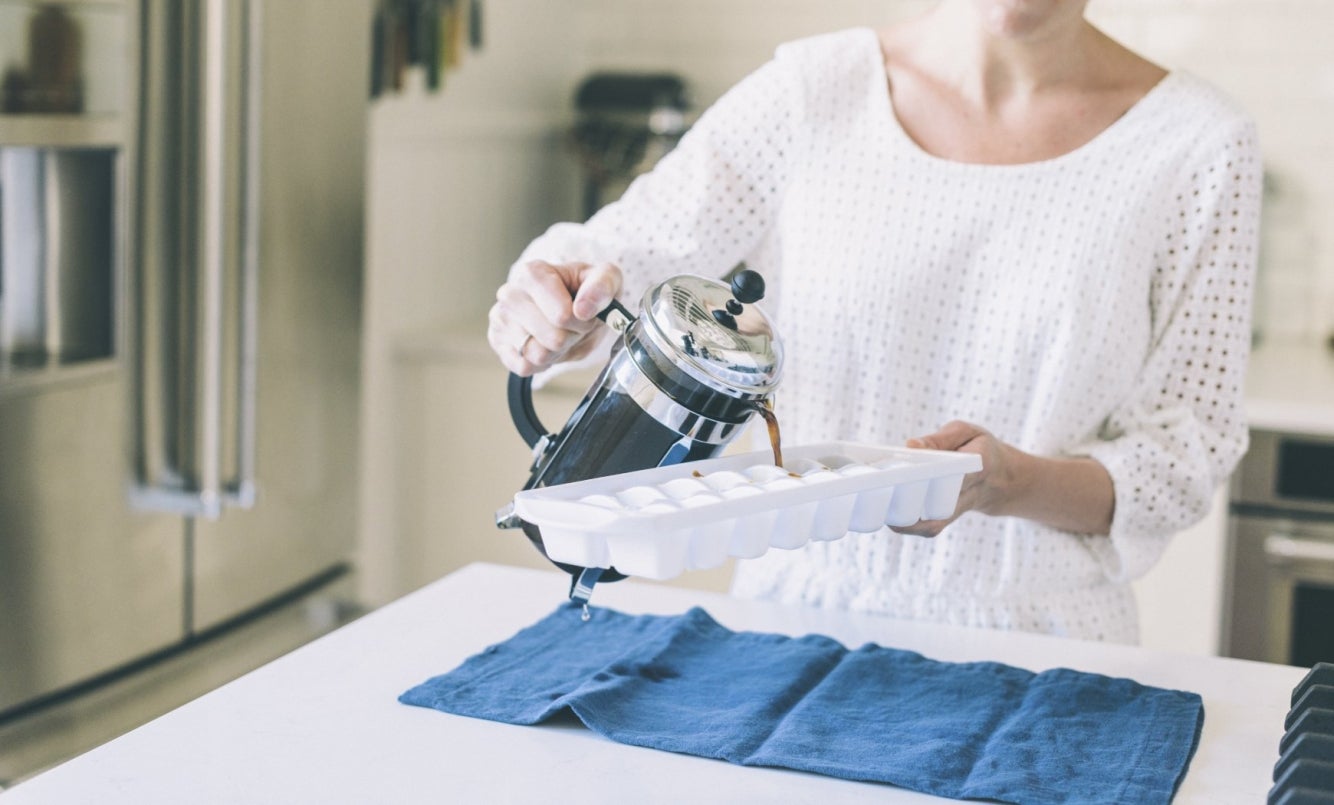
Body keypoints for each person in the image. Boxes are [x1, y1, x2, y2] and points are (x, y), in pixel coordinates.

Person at [486, 0, 1262, 643]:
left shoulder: (1197, 145)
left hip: (1046, 649)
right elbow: (626, 253)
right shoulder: (813, 91)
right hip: (783, 627)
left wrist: (1004, 482)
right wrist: (555, 303)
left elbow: (1178, 462)